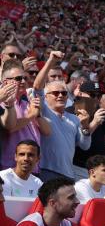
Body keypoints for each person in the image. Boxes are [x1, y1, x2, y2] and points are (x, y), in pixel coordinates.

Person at [33, 51, 93, 181]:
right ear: (46, 96)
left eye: (64, 93)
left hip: (68, 175)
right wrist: (51, 60)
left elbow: (85, 146)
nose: (60, 95)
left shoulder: (74, 118)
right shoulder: (45, 111)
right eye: (55, 93)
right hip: (46, 171)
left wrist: (85, 126)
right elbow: (37, 87)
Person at [0, 59, 51, 170]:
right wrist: (31, 115)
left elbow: (47, 131)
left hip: (33, 168)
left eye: (25, 78)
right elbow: (9, 128)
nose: (23, 81)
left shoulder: (27, 102)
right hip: (10, 167)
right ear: (5, 82)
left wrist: (37, 114)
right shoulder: (3, 103)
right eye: (18, 78)